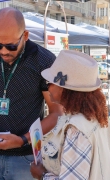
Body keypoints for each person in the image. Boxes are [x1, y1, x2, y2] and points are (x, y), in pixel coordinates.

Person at [0, 7, 63, 180]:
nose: (3, 51)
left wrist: (22, 140)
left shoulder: (44, 61)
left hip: (26, 158)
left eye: (11, 46)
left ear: (25, 36)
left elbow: (57, 113)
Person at [30, 50, 110, 180]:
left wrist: (42, 175)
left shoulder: (76, 129)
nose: (48, 88)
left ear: (64, 88)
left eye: (49, 83)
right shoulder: (96, 118)